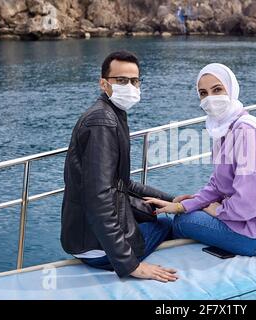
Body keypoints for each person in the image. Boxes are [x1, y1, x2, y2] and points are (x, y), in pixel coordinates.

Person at [146, 63, 256, 257]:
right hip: (255, 220)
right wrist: (185, 205)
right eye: (203, 93)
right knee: (184, 215)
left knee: (183, 222)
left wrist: (218, 211)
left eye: (217, 89)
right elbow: (218, 184)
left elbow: (248, 201)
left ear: (231, 89)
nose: (210, 98)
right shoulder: (224, 129)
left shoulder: (246, 131)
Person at [61, 51, 178, 283]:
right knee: (171, 222)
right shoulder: (103, 123)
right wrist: (130, 265)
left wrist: (173, 199)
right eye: (122, 81)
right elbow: (99, 198)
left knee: (164, 211)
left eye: (135, 81)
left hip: (85, 237)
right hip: (97, 249)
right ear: (104, 83)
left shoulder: (112, 114)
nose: (130, 87)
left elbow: (123, 183)